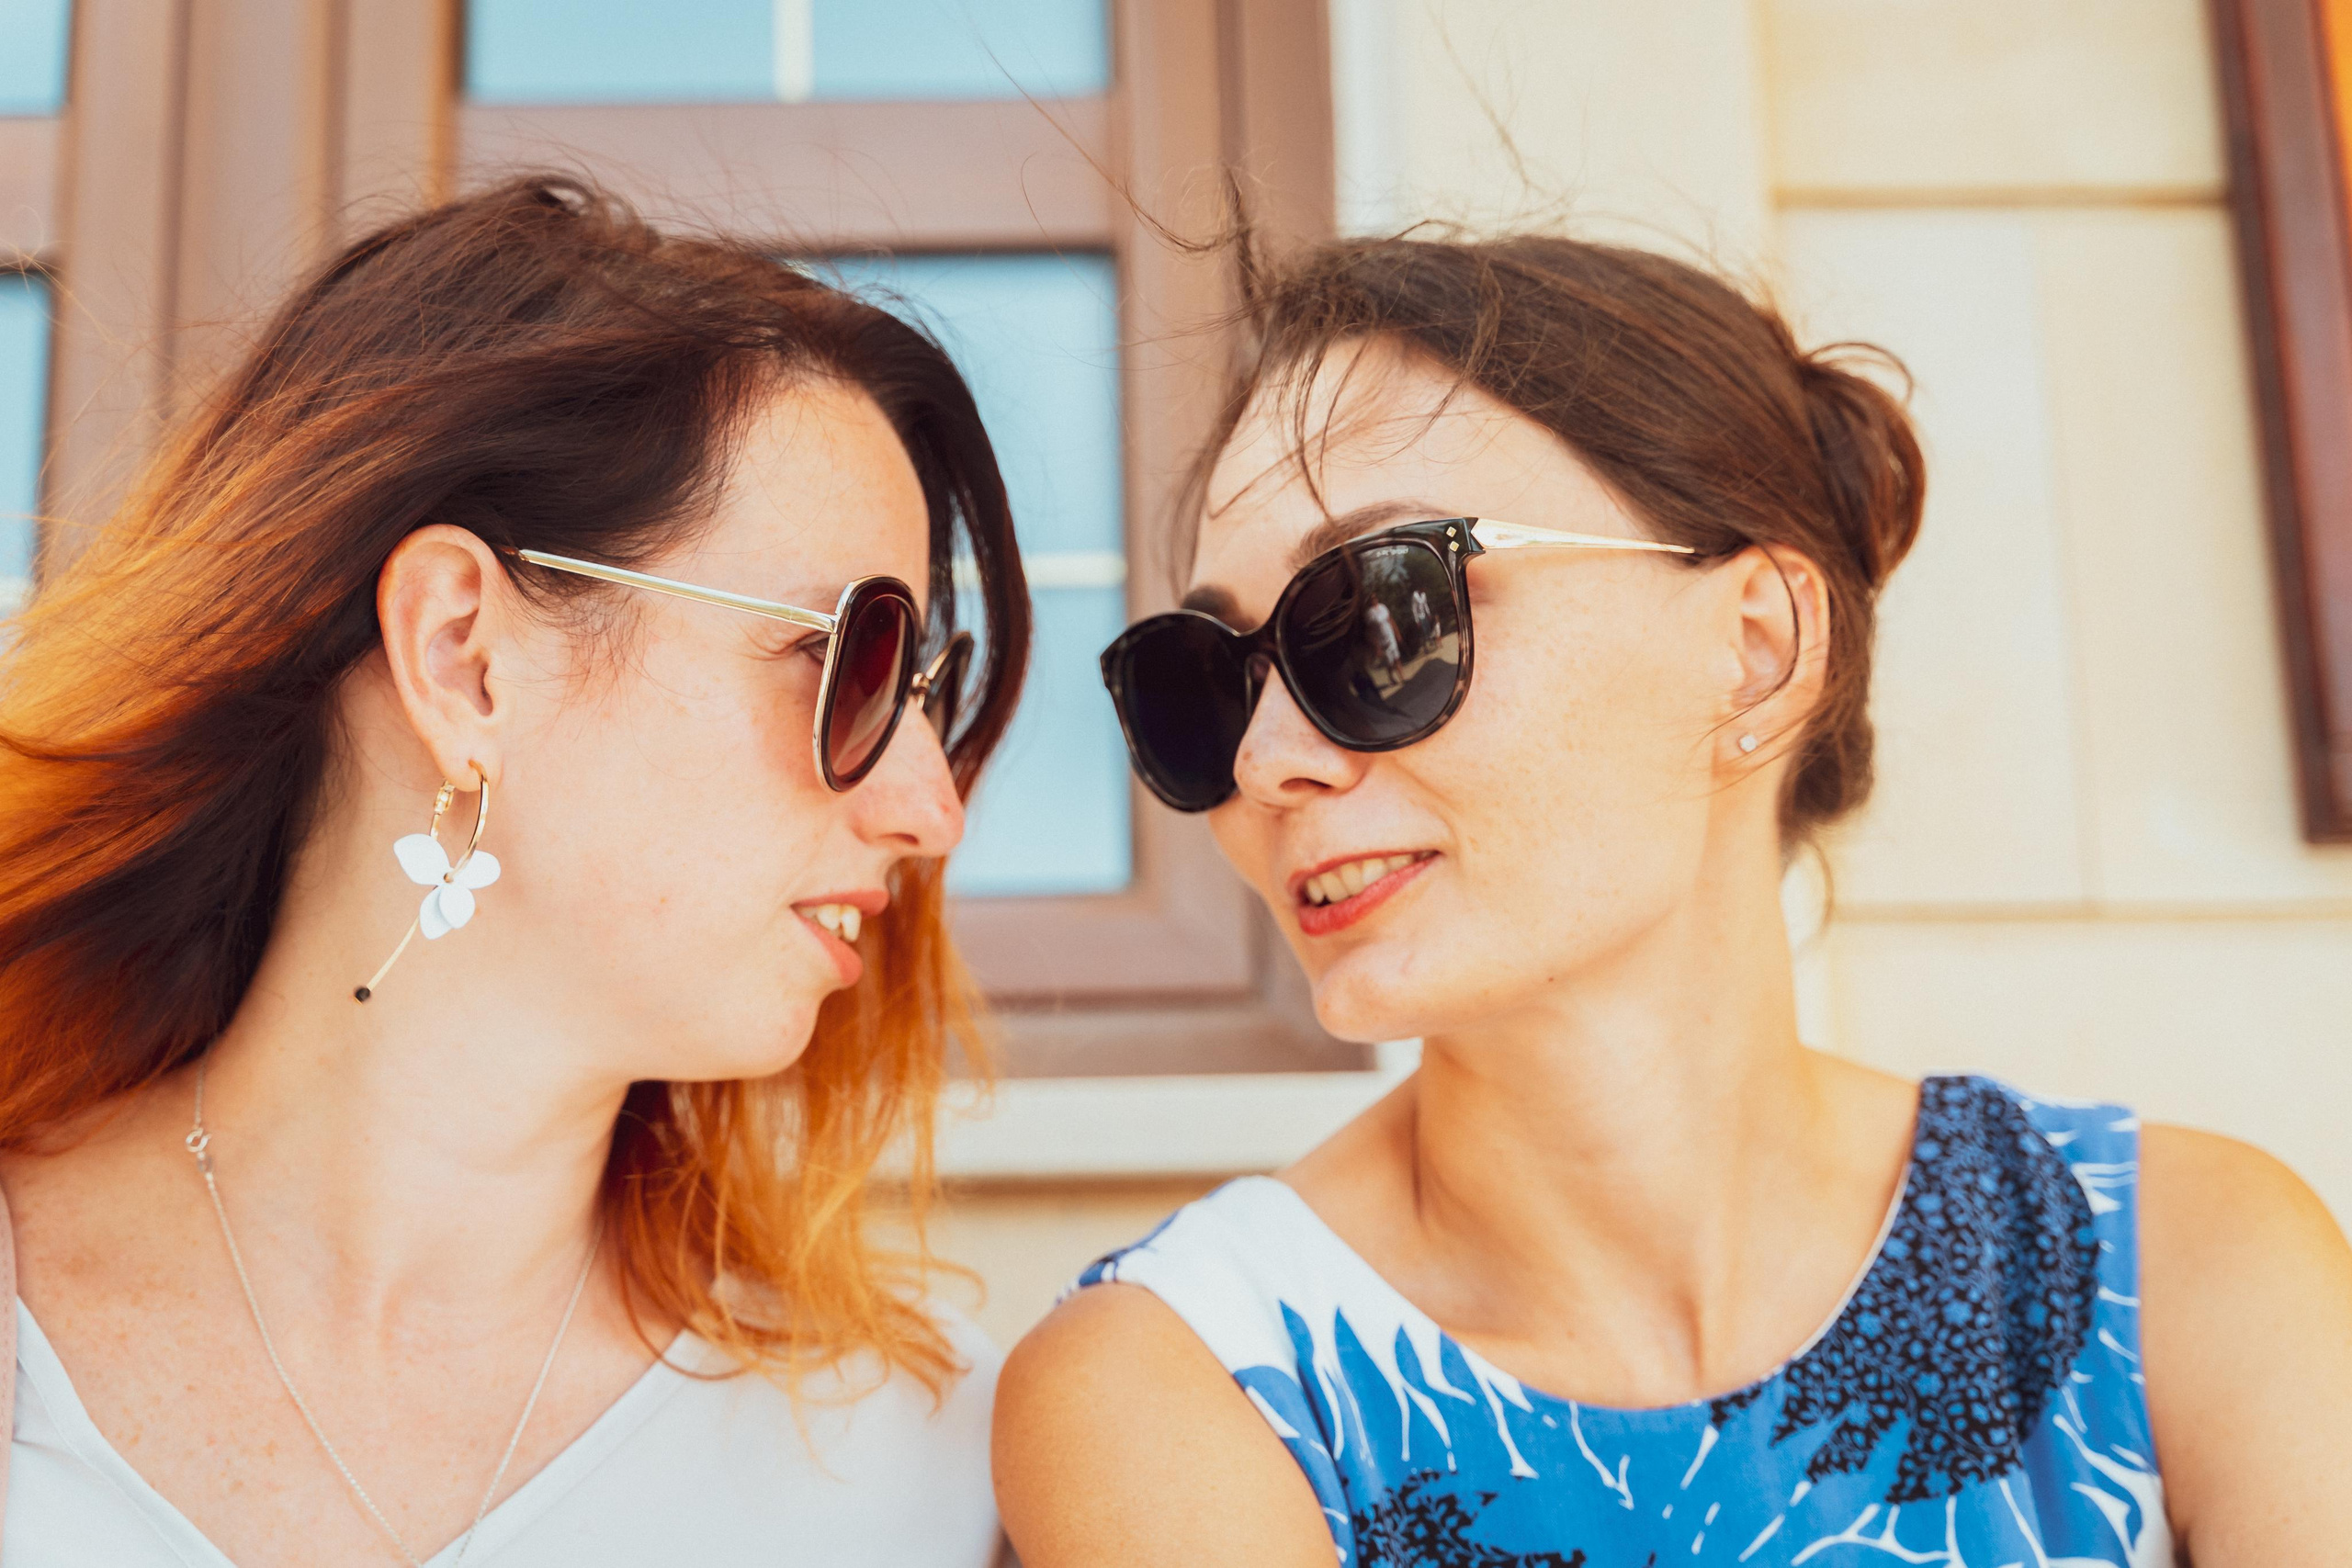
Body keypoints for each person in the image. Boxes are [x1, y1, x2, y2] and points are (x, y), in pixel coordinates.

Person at [997, 232, 2352, 1565]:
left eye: (1378, 617)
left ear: (1756, 647)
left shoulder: (2186, 1270)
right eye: (1205, 686)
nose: (1265, 762)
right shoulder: (1183, 1383)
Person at [0, 176, 1027, 1566]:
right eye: (844, 661)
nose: (931, 812)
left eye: (925, 695)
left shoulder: (920, 1462)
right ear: (464, 656)